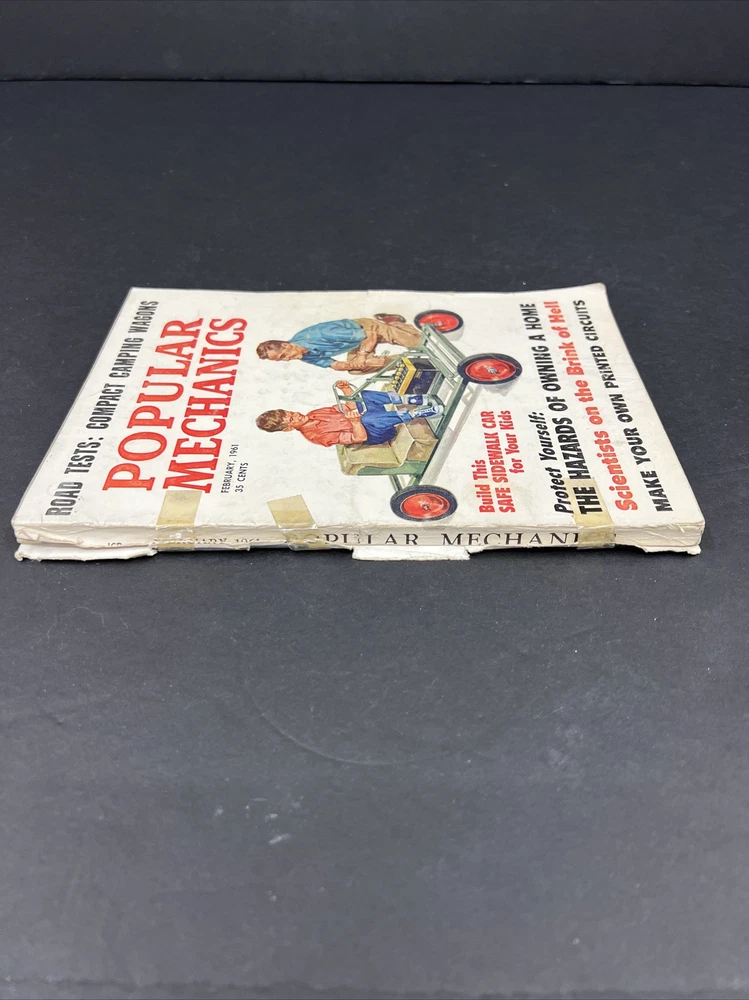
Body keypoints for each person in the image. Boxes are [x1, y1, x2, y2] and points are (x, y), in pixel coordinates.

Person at [255, 381, 443, 447]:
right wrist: (355, 422)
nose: (297, 414)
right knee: (367, 418)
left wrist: (346, 390)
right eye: (292, 419)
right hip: (374, 434)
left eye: (292, 412)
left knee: (362, 395)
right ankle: (417, 413)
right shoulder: (316, 436)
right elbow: (359, 438)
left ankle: (411, 399)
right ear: (288, 429)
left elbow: (351, 407)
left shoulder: (314, 413)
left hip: (366, 419)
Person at [255, 313, 422, 372]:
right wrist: (356, 364)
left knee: (419, 343)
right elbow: (335, 365)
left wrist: (362, 356)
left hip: (365, 329)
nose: (286, 360)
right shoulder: (302, 355)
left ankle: (392, 322)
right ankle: (409, 362)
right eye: (281, 360)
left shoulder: (322, 334)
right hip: (355, 342)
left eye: (283, 355)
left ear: (286, 345)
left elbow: (370, 335)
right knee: (357, 371)